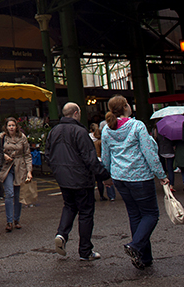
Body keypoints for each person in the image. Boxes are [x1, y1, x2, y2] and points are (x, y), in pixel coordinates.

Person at [101, 96, 168, 269]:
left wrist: (106, 176)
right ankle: (135, 246)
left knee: (135, 215)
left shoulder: (107, 129)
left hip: (119, 177)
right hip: (140, 176)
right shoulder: (137, 126)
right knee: (151, 214)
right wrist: (160, 174)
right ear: (125, 107)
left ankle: (144, 258)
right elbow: (149, 152)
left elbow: (106, 155)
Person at [46, 102, 110, 262]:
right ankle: (85, 250)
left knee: (69, 206)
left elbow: (48, 154)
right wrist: (104, 176)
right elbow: (90, 158)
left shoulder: (54, 131)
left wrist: (57, 170)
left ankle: (61, 234)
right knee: (86, 213)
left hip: (63, 178)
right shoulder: (80, 131)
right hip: (81, 178)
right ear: (76, 113)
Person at [0, 117, 32, 232]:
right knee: (9, 193)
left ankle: (16, 219)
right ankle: (9, 221)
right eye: (9, 125)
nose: (11, 127)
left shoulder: (22, 137)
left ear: (16, 126)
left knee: (18, 195)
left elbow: (27, 154)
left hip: (19, 167)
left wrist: (29, 171)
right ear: (6, 127)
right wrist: (4, 156)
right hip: (8, 167)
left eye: (13, 125)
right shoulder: (2, 137)